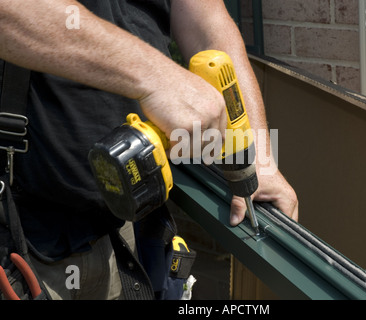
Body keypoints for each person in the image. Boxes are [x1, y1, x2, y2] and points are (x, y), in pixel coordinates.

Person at [0, 0, 298, 299]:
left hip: (128, 223)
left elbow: (209, 24)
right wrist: (156, 78)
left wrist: (253, 153)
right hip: (20, 231)